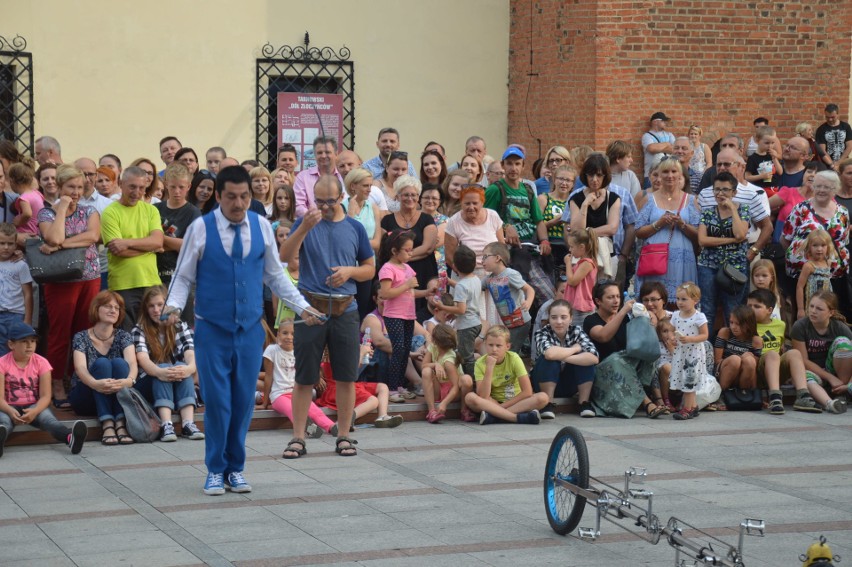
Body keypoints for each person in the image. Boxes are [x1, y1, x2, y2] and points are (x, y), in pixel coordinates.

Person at [166, 166, 322, 493]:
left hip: (250, 330)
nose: (239, 204)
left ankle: (236, 467)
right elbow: (182, 277)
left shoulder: (262, 226)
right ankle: (215, 469)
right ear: (218, 197)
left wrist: (302, 306)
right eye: (232, 197)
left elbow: (276, 275)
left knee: (242, 402)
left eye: (245, 197)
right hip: (212, 330)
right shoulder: (200, 228)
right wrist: (173, 306)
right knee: (218, 400)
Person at [279, 174, 374, 460]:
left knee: (346, 376)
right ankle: (298, 437)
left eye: (330, 201)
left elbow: (370, 268)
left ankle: (343, 435)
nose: (325, 207)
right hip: (310, 309)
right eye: (319, 201)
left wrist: (350, 272)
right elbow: (284, 256)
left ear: (342, 197)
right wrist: (302, 230)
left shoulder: (355, 228)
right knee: (304, 376)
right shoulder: (305, 223)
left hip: (346, 308)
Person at [37, 165, 101, 406]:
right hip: (60, 281)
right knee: (59, 333)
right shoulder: (46, 214)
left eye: (79, 187)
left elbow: (93, 236)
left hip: (90, 277)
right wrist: (62, 207)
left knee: (84, 331)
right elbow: (52, 237)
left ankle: (78, 379)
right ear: (60, 187)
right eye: (70, 187)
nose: (76, 192)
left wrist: (62, 245)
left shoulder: (90, 210)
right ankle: (55, 381)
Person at [0, 321, 87, 458]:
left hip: (35, 406)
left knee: (49, 420)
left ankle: (70, 438)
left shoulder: (42, 362)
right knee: (3, 422)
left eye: (33, 341)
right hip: (8, 406)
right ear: (11, 344)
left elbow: (46, 396)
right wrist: (10, 411)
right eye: (24, 341)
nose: (30, 345)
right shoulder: (2, 363)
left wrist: (35, 411)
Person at [132, 286, 203, 442]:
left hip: (175, 380)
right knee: (165, 367)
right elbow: (143, 360)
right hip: (148, 382)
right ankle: (166, 425)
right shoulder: (139, 330)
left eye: (160, 305)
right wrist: (160, 372)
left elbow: (190, 354)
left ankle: (188, 424)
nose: (156, 310)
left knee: (181, 367)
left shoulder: (180, 326)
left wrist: (189, 369)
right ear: (146, 309)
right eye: (151, 306)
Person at [68, 291, 138, 445]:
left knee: (120, 363)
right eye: (107, 306)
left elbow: (132, 364)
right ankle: (107, 424)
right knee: (102, 363)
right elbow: (80, 369)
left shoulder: (123, 336)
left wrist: (129, 381)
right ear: (96, 309)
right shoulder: (81, 337)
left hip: (116, 397)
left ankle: (120, 422)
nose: (113, 310)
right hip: (87, 396)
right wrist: (95, 384)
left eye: (116, 308)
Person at [101, 166, 164, 327]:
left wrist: (128, 242)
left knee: (155, 333)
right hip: (123, 284)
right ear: (121, 184)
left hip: (151, 281)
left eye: (142, 188)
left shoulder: (151, 210)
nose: (137, 192)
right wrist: (149, 247)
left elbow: (158, 241)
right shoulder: (110, 212)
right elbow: (118, 251)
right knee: (128, 336)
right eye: (132, 186)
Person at [781, 171, 849, 316]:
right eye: (818, 186)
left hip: (833, 275)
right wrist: (799, 257)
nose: (821, 190)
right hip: (801, 275)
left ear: (835, 190)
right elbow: (785, 239)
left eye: (827, 187)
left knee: (830, 314)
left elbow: (844, 241)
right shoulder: (801, 209)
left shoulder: (843, 212)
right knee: (803, 314)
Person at [378, 230, 436, 396]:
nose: (411, 253)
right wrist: (407, 284)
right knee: (398, 349)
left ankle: (400, 386)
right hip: (394, 315)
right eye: (407, 250)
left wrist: (427, 292)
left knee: (404, 350)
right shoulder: (387, 268)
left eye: (412, 249)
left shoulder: (407, 268)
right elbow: (386, 293)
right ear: (394, 251)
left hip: (408, 315)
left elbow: (410, 293)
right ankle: (392, 388)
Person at [635, 157, 700, 304]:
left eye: (673, 171)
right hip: (654, 259)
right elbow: (638, 231)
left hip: (683, 260)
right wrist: (659, 223)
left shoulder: (691, 200)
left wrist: (682, 224)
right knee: (653, 301)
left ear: (680, 175)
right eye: (665, 172)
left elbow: (699, 234)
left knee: (682, 302)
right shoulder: (649, 199)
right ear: (658, 175)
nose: (669, 175)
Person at [746, 289, 820, 414]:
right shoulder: (746, 325)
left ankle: (803, 395)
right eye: (749, 306)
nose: (751, 309)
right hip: (757, 371)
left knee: (794, 353)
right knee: (772, 354)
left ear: (769, 310)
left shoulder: (780, 325)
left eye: (757, 306)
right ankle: (774, 397)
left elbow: (781, 347)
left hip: (775, 370)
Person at [263, 320, 339, 439]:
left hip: (297, 393)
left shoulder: (299, 350)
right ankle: (309, 428)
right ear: (278, 335)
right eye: (285, 333)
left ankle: (331, 427)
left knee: (314, 409)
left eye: (292, 334)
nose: (289, 337)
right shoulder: (272, 350)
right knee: (292, 410)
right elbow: (268, 377)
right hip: (279, 395)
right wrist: (265, 402)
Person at [696, 172, 750, 333]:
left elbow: (740, 234)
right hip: (708, 266)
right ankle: (707, 350)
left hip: (734, 268)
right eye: (717, 189)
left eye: (725, 190)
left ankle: (731, 350)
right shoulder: (707, 212)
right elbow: (703, 240)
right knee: (708, 309)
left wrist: (733, 209)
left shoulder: (743, 210)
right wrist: (732, 241)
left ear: (734, 192)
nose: (720, 193)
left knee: (733, 311)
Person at [380, 175, 437, 321]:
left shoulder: (426, 219)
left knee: (422, 313)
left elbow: (427, 248)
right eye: (405, 194)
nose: (409, 198)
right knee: (397, 312)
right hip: (396, 275)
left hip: (424, 271)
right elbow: (385, 248)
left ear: (418, 197)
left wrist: (401, 257)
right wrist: (405, 259)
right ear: (398, 196)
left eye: (413, 194)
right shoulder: (387, 220)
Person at [464, 325, 548, 425]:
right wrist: (489, 368)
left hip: (516, 402)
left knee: (543, 397)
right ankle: (516, 418)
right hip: (491, 402)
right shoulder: (480, 363)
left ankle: (494, 417)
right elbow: (483, 396)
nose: (494, 349)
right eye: (490, 345)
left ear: (507, 347)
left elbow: (527, 392)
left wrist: (501, 408)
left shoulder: (514, 358)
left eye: (498, 346)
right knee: (470, 398)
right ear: (485, 344)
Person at [532, 300, 599, 419]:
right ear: (549, 319)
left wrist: (563, 355)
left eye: (563, 317)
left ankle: (584, 403)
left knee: (585, 361)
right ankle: (548, 404)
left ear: (571, 318)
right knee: (548, 360)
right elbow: (550, 354)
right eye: (554, 317)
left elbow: (593, 358)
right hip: (543, 382)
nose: (559, 322)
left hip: (569, 384)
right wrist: (574, 349)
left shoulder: (577, 331)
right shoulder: (542, 332)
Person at [791, 291, 850, 414]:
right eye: (811, 306)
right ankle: (830, 403)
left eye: (819, 309)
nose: (813, 311)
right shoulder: (800, 326)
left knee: (843, 342)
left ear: (831, 312)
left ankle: (841, 392)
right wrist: (830, 377)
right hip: (812, 371)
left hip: (834, 370)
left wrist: (848, 384)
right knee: (804, 376)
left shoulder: (840, 327)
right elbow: (803, 361)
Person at [430, 245, 482, 378]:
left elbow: (461, 309)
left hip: (466, 326)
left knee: (466, 357)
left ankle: (472, 382)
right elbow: (463, 287)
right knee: (467, 354)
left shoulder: (461, 286)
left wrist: (442, 307)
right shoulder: (475, 279)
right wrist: (448, 281)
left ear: (455, 267)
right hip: (476, 322)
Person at [568, 154, 622, 280]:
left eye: (599, 175)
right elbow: (576, 230)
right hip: (583, 255)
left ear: (605, 176)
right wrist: (585, 204)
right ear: (585, 176)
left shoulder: (613, 198)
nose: (594, 179)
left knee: (604, 292)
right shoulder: (576, 199)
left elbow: (612, 228)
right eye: (590, 175)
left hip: (607, 255)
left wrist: (587, 232)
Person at [481, 242, 534, 352]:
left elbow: (529, 289)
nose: (482, 261)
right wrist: (452, 283)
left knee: (509, 352)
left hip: (521, 321)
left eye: (485, 257)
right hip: (509, 323)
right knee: (509, 351)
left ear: (497, 258)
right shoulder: (489, 279)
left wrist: (528, 302)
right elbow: (473, 288)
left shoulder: (511, 274)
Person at [155, 163, 201, 292]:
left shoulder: (193, 213)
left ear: (189, 186)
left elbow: (189, 246)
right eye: (173, 187)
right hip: (155, 275)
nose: (177, 191)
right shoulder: (155, 209)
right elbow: (148, 241)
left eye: (181, 187)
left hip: (181, 277)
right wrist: (173, 244)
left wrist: (159, 239)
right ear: (165, 185)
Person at [669, 282, 709, 420]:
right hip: (681, 352)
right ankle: (692, 406)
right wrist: (674, 339)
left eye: (684, 299)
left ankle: (687, 408)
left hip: (693, 352)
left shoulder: (699, 316)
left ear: (695, 300)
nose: (680, 302)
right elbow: (673, 332)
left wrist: (691, 339)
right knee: (683, 378)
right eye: (678, 299)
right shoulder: (675, 315)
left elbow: (704, 335)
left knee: (689, 379)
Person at [421, 323, 468, 423]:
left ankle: (464, 410)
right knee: (426, 371)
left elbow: (456, 386)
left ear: (434, 340)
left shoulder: (448, 361)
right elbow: (423, 366)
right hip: (439, 387)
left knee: (466, 379)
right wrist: (435, 365)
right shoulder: (433, 347)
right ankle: (431, 411)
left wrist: (444, 403)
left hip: (452, 392)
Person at [714, 306, 763, 396]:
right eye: (731, 322)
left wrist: (757, 393)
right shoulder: (725, 332)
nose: (733, 327)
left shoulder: (756, 341)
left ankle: (743, 395)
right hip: (724, 372)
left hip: (743, 377)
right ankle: (720, 395)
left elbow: (753, 369)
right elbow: (717, 361)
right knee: (735, 360)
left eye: (738, 324)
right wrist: (740, 358)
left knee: (750, 360)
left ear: (748, 324)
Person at [0, 223, 32, 357]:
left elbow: (28, 293)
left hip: (16, 315)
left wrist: (28, 319)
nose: (6, 247)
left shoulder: (20, 265)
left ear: (16, 244)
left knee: (14, 351)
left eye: (10, 243)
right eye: (1, 243)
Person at [293, 136, 344, 218]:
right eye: (319, 153)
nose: (323, 156)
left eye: (327, 152)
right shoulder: (303, 177)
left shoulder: (343, 177)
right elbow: (298, 205)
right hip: (311, 225)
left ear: (336, 154)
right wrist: (317, 218)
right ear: (315, 155)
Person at [538, 164, 573, 267]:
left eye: (568, 180)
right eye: (561, 179)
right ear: (554, 179)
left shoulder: (574, 201)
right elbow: (536, 224)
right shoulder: (543, 198)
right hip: (548, 244)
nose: (564, 183)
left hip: (568, 247)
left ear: (573, 183)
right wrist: (557, 220)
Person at [796, 229, 835, 320]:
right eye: (815, 245)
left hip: (826, 303)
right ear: (809, 247)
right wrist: (800, 309)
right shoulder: (809, 266)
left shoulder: (827, 263)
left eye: (823, 245)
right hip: (812, 304)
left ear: (828, 247)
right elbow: (799, 287)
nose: (819, 249)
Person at [563, 227, 598, 326]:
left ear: (582, 247)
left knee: (579, 335)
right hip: (575, 306)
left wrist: (568, 264)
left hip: (582, 308)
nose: (570, 250)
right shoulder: (581, 263)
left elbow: (572, 281)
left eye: (572, 247)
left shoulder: (587, 263)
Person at [745, 126, 783, 196]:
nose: (770, 146)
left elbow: (780, 172)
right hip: (760, 189)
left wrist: (775, 158)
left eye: (772, 143)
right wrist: (761, 176)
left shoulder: (771, 155)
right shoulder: (752, 158)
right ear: (758, 140)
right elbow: (747, 177)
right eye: (767, 143)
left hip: (774, 188)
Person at [8, 163, 43, 237]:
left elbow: (27, 214)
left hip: (28, 231)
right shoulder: (36, 193)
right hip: (39, 229)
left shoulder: (24, 198)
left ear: (12, 181)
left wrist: (18, 222)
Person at [641, 111, 675, 187]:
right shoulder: (647, 136)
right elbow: (651, 148)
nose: (665, 123)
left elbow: (674, 149)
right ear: (655, 122)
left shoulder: (669, 135)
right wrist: (667, 144)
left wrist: (659, 148)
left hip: (668, 175)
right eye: (663, 121)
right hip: (651, 175)